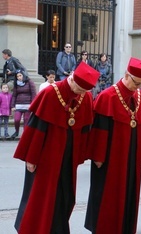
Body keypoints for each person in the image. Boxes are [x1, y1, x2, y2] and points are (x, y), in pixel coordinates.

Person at [13, 62, 100, 233]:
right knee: (40, 196)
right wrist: (31, 158)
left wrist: (79, 156)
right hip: (45, 155)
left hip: (69, 156)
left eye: (85, 91)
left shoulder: (86, 97)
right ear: (72, 79)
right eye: (79, 89)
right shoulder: (50, 93)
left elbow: (85, 129)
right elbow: (36, 128)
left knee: (65, 196)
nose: (81, 94)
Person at [85, 58, 141, 234]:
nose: (137, 87)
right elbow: (99, 130)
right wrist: (98, 157)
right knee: (108, 196)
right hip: (110, 158)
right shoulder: (107, 96)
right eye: (136, 83)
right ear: (126, 75)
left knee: (129, 194)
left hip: (132, 157)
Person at [10, 70, 37, 139]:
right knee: (17, 119)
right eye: (17, 76)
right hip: (18, 105)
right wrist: (12, 105)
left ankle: (25, 134)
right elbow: (14, 95)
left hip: (28, 105)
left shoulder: (29, 82)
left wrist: (33, 104)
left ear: (23, 75)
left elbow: (33, 93)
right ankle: (16, 132)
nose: (19, 77)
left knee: (26, 119)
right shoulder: (16, 84)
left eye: (20, 75)